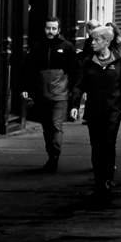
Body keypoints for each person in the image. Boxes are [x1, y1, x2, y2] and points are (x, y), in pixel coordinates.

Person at [76, 25, 121, 204]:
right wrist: (74, 104)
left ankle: (107, 179)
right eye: (92, 39)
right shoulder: (87, 62)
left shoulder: (119, 62)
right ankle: (99, 181)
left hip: (113, 110)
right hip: (94, 110)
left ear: (107, 42)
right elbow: (79, 85)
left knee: (108, 143)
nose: (92, 43)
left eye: (96, 40)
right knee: (96, 146)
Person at [23, 17, 81, 172]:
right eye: (48, 28)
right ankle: (51, 153)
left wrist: (73, 91)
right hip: (42, 94)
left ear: (59, 30)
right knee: (47, 126)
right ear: (44, 29)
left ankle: (54, 155)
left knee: (56, 124)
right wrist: (26, 87)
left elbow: (75, 71)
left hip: (60, 93)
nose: (50, 31)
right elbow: (28, 69)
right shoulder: (37, 47)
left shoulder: (67, 47)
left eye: (54, 28)